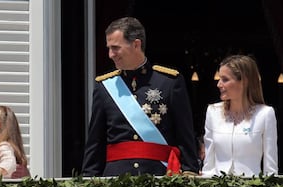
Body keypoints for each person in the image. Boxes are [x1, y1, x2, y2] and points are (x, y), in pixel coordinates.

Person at [81, 17, 199, 177]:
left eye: (115, 48)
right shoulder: (104, 87)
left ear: (136, 44)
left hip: (160, 177)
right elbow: (96, 141)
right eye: (109, 48)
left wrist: (189, 171)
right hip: (116, 180)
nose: (110, 54)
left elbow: (184, 134)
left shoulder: (169, 82)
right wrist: (89, 179)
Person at [202, 55, 278, 177]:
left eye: (225, 79)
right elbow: (208, 164)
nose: (219, 84)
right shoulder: (213, 112)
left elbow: (270, 168)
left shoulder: (265, 114)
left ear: (244, 81)